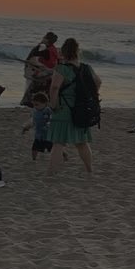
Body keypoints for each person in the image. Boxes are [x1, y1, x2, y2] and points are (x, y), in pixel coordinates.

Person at [47, 38, 99, 174]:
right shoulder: (86, 68)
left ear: (64, 52)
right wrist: (90, 95)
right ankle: (89, 170)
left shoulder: (62, 68)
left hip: (64, 108)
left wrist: (53, 104)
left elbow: (54, 87)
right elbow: (98, 82)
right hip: (81, 109)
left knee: (58, 143)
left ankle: (51, 172)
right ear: (77, 51)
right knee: (82, 143)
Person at [21, 90, 54, 158]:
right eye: (34, 105)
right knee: (35, 148)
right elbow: (32, 121)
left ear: (45, 103)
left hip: (48, 135)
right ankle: (34, 158)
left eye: (37, 104)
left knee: (52, 148)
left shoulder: (47, 110)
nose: (35, 106)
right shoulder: (34, 111)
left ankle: (63, 154)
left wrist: (48, 125)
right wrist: (26, 127)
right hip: (38, 135)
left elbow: (52, 119)